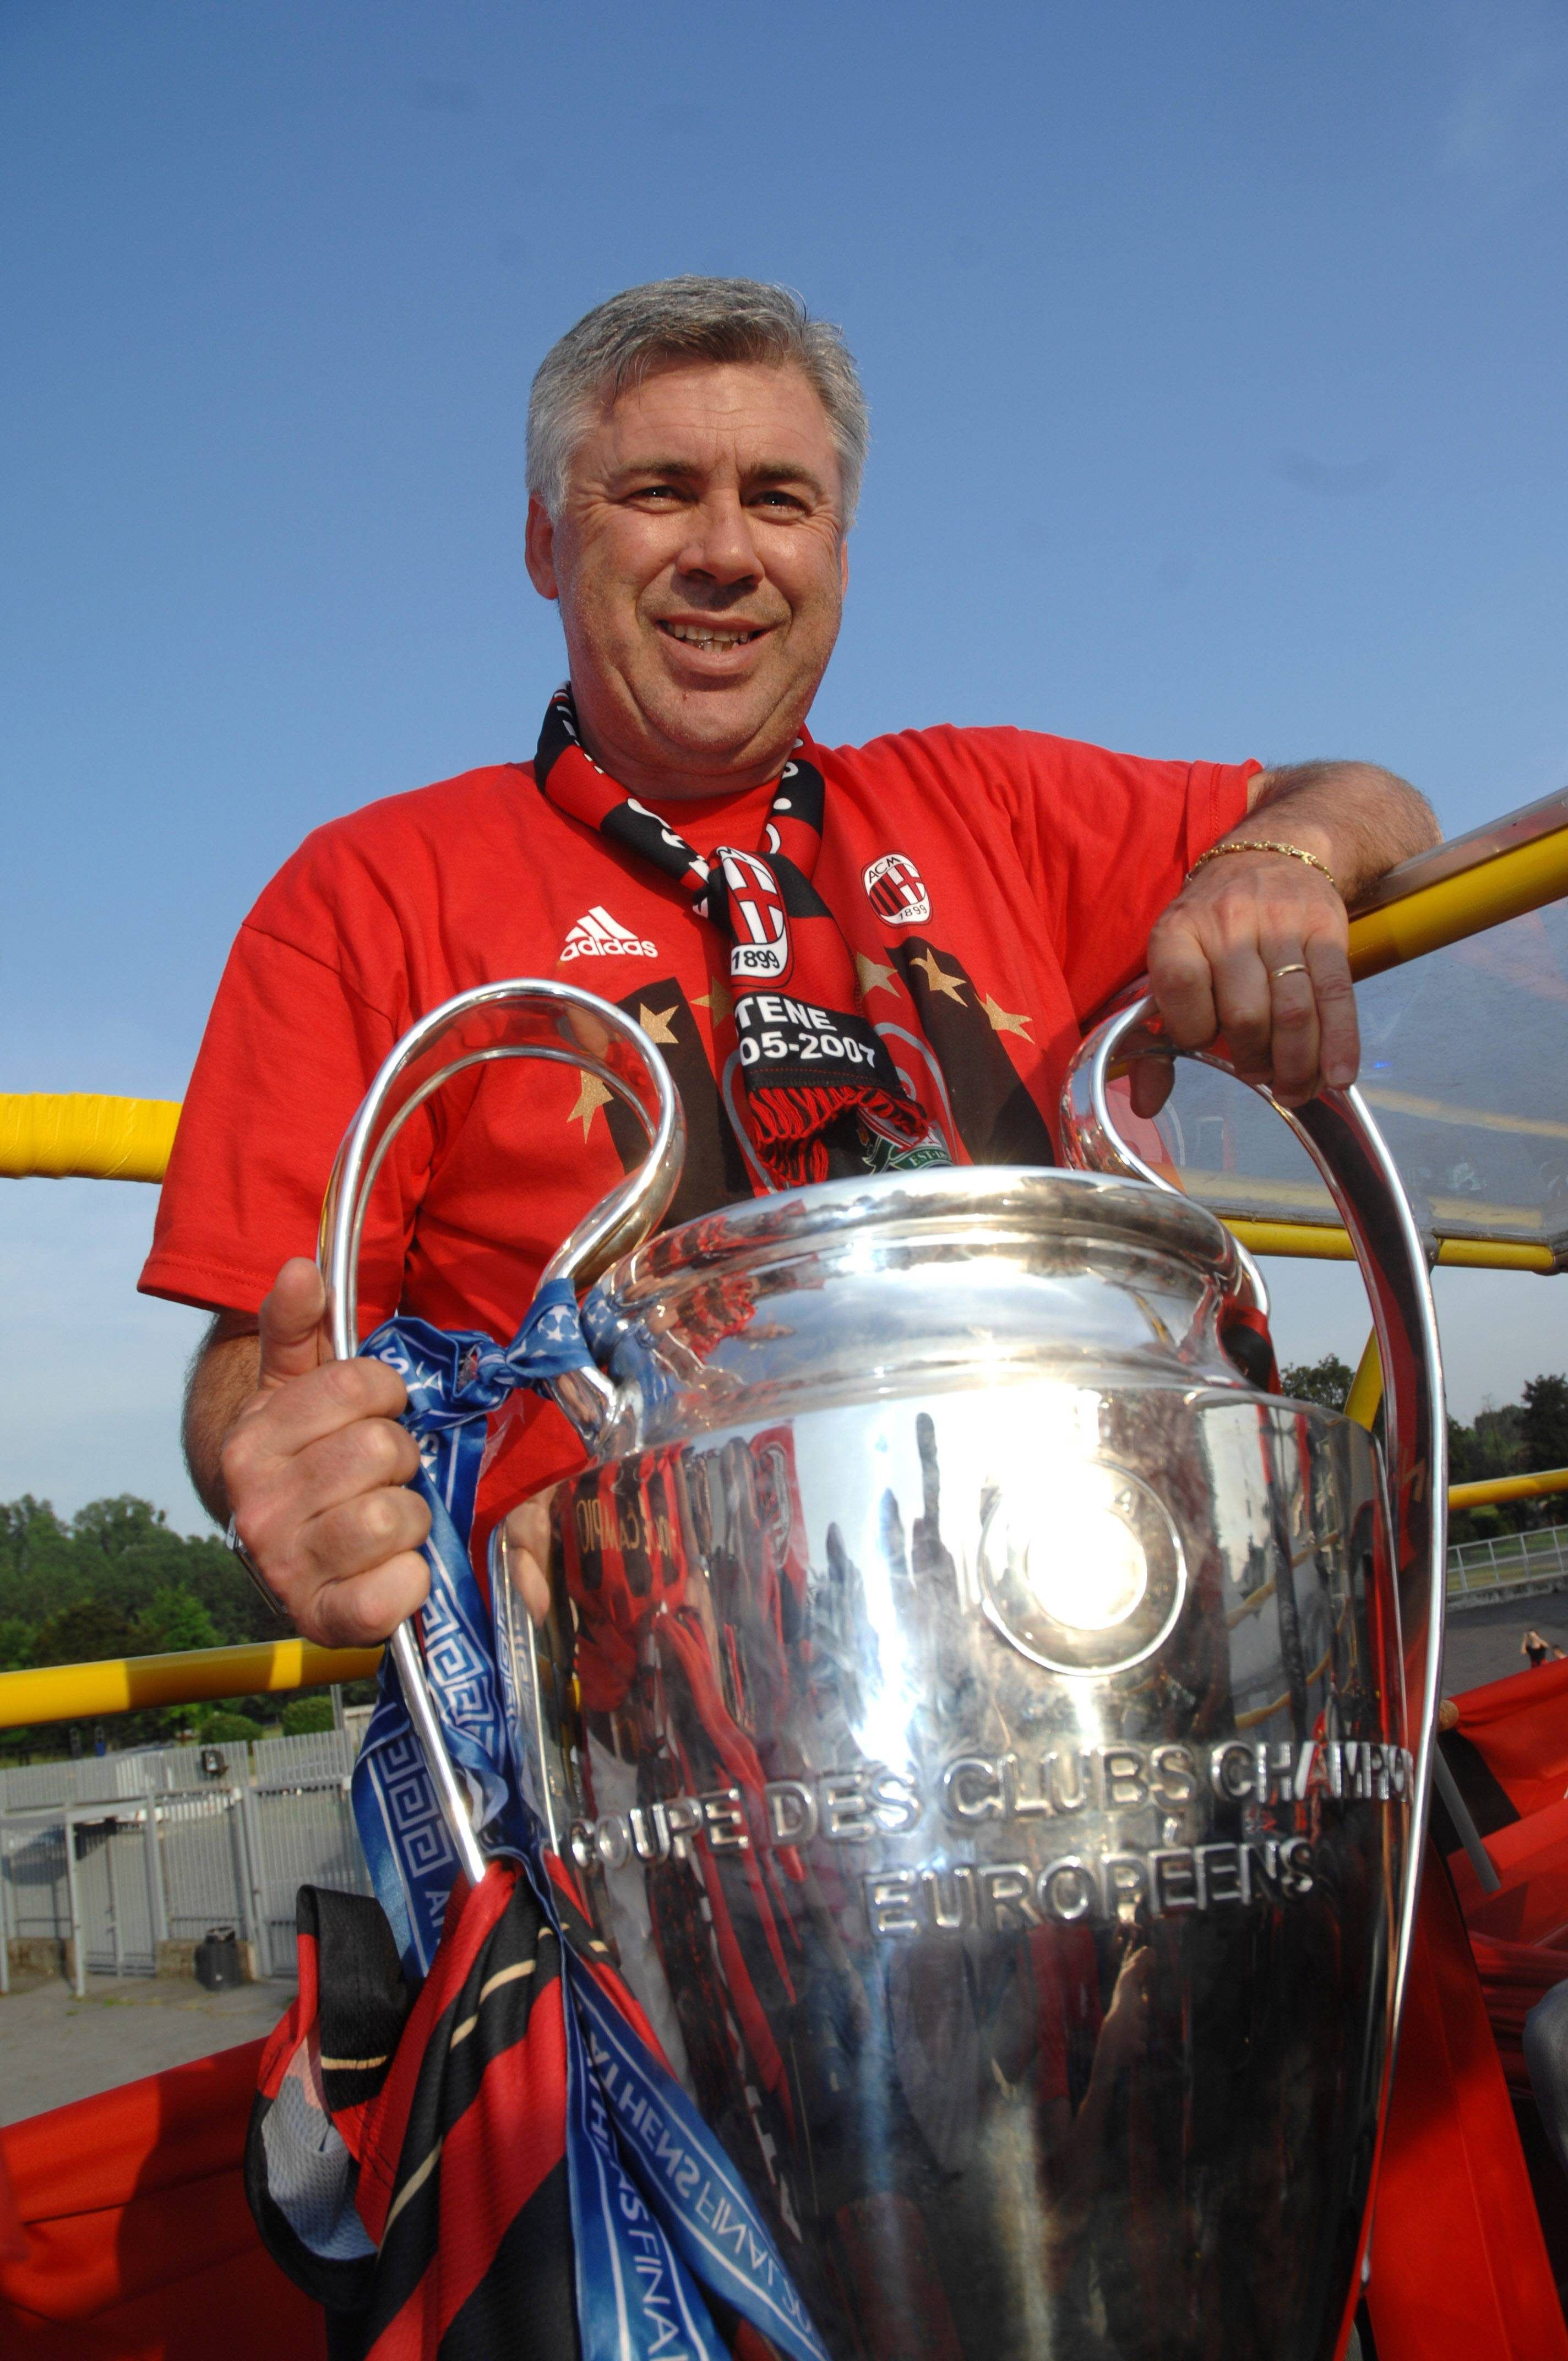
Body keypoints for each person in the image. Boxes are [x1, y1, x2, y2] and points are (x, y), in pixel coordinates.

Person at [141, 276, 1440, 1647]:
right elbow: (254, 1363)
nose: (725, 550)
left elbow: (1365, 797)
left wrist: (1275, 859)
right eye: (655, 491)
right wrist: (281, 1469)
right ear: (540, 541)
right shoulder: (363, 896)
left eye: (778, 498)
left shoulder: (987, 801)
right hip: (664, 1743)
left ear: (837, 541)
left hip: (1113, 1615)